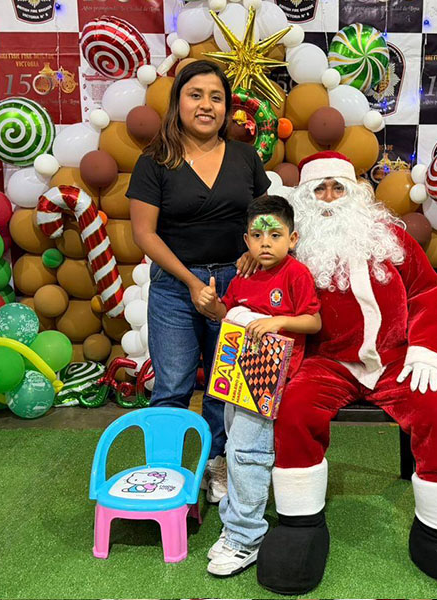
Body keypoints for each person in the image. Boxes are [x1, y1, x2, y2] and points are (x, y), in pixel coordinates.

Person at [256, 152, 437, 598]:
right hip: (326, 361)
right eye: (318, 189)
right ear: (304, 197)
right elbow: (267, 283)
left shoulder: (389, 235)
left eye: (337, 187)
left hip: (395, 359)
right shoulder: (292, 246)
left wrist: (426, 349)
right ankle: (300, 525)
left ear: (355, 192)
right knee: (295, 410)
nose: (329, 198)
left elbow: (426, 290)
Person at [126, 60, 271, 503]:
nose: (206, 105)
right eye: (196, 95)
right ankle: (164, 473)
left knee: (224, 388)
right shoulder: (154, 161)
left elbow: (265, 218)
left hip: (237, 285)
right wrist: (191, 282)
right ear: (178, 103)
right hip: (176, 287)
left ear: (227, 108)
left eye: (216, 97)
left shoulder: (245, 156)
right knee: (172, 384)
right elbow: (144, 234)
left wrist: (253, 249)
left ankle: (216, 463)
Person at [196, 195, 321, 576]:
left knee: (248, 453)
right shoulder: (244, 275)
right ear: (246, 240)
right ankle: (236, 521)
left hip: (268, 380)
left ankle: (246, 537)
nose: (265, 243)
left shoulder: (296, 274)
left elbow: (313, 321)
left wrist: (278, 321)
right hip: (236, 376)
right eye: (257, 235)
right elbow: (227, 315)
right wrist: (212, 305)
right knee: (235, 449)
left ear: (293, 238)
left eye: (275, 235)